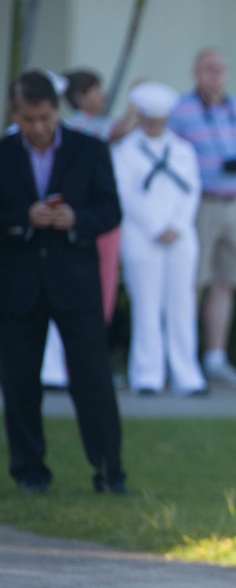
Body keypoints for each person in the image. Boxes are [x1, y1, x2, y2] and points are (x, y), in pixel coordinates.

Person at [0, 70, 127, 494]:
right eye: (28, 119)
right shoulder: (3, 153)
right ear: (15, 113)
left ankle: (110, 472)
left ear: (59, 111)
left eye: (45, 118)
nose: (37, 127)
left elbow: (111, 210)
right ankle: (29, 472)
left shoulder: (88, 149)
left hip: (74, 281)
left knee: (92, 381)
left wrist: (76, 219)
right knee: (20, 382)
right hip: (19, 285)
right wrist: (22, 220)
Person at [169, 48, 236, 388]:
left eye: (220, 69)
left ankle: (215, 358)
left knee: (224, 283)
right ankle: (183, 359)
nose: (215, 75)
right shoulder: (182, 111)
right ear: (196, 72)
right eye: (208, 69)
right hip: (200, 205)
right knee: (193, 283)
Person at [113, 82, 207, 396]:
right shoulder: (125, 151)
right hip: (143, 236)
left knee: (182, 305)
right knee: (147, 306)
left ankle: (187, 374)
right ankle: (147, 374)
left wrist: (177, 225)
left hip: (180, 236)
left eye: (160, 121)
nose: (154, 127)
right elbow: (126, 194)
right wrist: (156, 226)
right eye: (149, 121)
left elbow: (191, 189)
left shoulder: (182, 149)